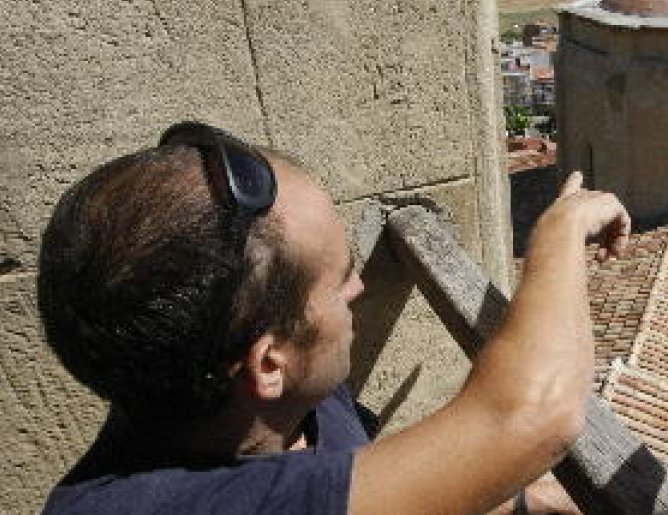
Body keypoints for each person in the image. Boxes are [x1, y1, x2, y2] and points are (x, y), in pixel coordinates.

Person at [37, 121, 631, 515]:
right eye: (340, 274)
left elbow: (362, 486)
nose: (359, 286)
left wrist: (513, 497)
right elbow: (530, 416)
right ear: (269, 361)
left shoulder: (281, 403)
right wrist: (559, 231)